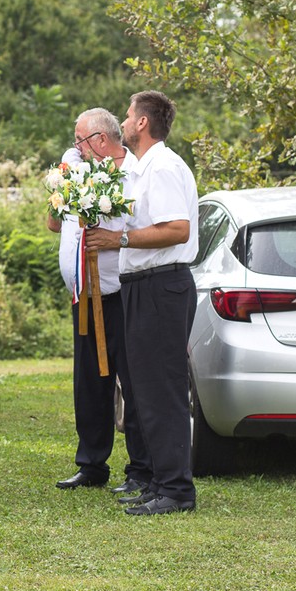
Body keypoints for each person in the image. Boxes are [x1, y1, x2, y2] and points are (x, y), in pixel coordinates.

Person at [87, 91, 199, 515]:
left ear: (142, 124)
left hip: (161, 286)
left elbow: (177, 229)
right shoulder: (141, 169)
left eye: (129, 114)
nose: (124, 119)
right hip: (141, 284)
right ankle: (157, 481)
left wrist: (120, 239)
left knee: (163, 389)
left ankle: (176, 490)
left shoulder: (164, 167)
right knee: (144, 390)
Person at [47, 109, 153, 496]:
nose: (74, 147)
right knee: (89, 382)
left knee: (131, 380)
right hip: (84, 295)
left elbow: (133, 227)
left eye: (79, 140)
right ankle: (91, 463)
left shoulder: (134, 175)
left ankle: (141, 467)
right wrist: (63, 182)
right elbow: (54, 224)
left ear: (100, 141)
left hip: (120, 292)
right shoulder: (81, 172)